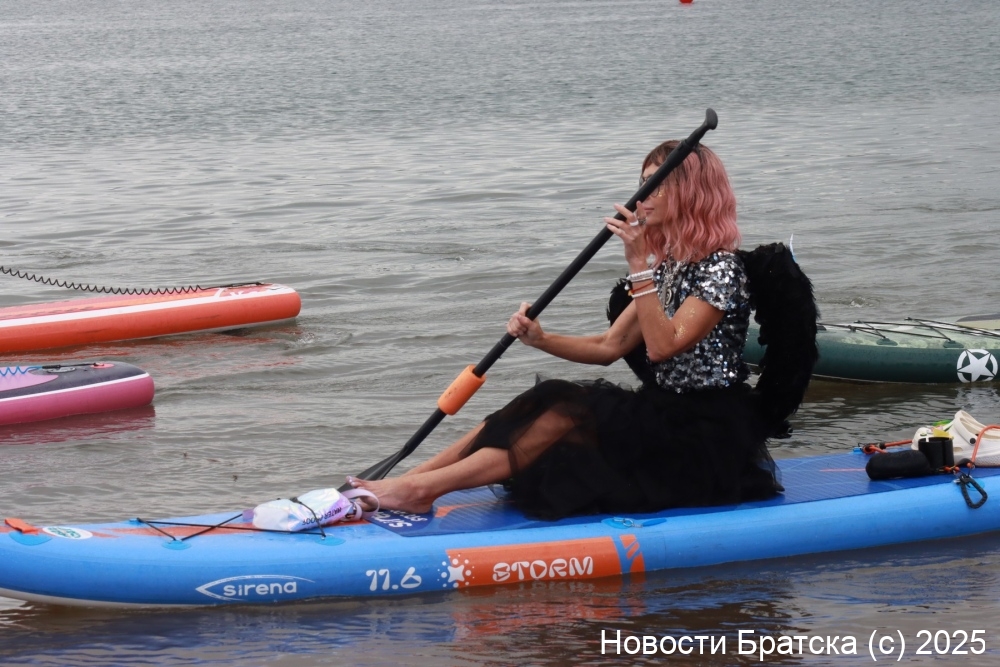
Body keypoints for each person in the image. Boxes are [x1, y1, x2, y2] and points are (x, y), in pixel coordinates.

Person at [350, 140, 818, 519]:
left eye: (656, 184)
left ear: (691, 194)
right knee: (540, 402)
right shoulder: (670, 265)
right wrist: (540, 338)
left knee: (561, 413)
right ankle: (410, 481)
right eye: (642, 183)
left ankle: (419, 490)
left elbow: (663, 347)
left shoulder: (721, 269)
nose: (642, 196)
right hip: (662, 411)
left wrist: (638, 265)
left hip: (705, 433)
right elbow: (609, 346)